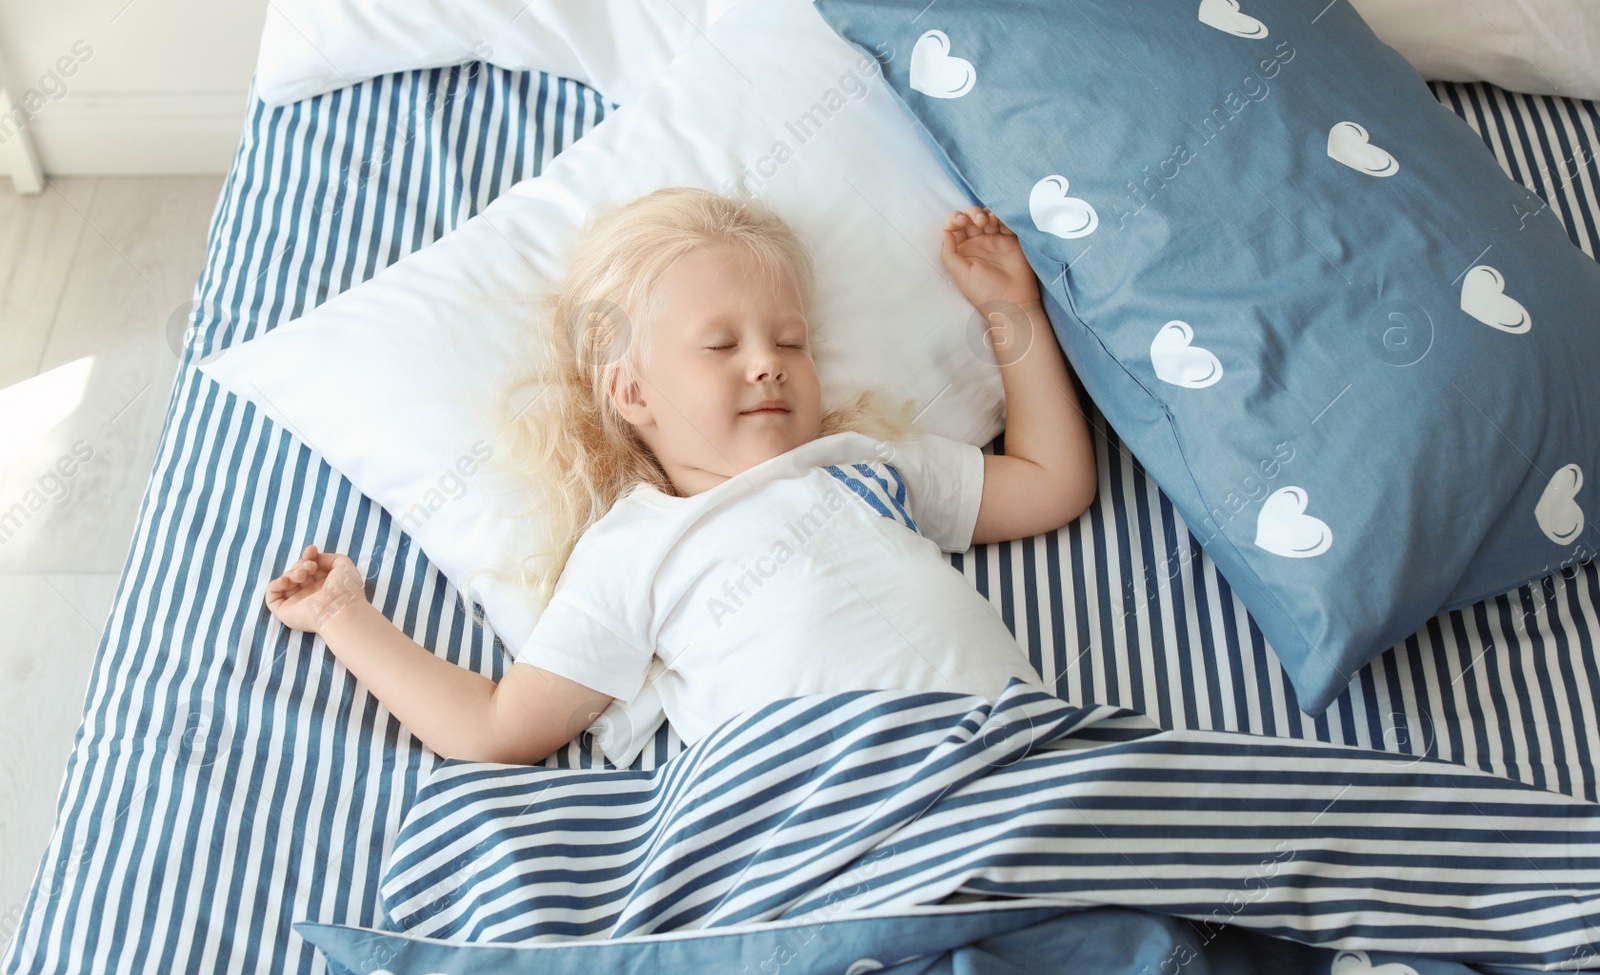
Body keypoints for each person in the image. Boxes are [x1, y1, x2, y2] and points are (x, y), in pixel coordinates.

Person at [263, 187, 1095, 765]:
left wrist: (1010, 315)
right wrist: (342, 615)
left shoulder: (866, 469)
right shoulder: (637, 548)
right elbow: (495, 727)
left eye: (792, 342)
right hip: (834, 804)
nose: (770, 364)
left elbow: (1053, 480)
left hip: (1017, 759)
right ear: (632, 392)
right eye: (722, 346)